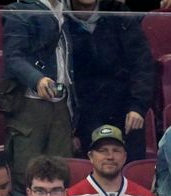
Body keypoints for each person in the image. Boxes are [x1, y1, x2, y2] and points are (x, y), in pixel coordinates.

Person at [0, 0, 74, 194]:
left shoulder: (65, 9)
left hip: (61, 104)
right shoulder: (20, 9)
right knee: (26, 176)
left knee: (61, 174)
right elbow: (13, 57)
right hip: (29, 105)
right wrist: (37, 79)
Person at [65, 0, 154, 163]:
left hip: (125, 110)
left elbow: (142, 64)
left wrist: (138, 106)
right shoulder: (59, 19)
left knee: (129, 172)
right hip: (84, 114)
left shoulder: (118, 13)